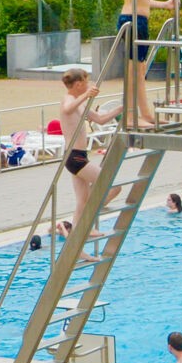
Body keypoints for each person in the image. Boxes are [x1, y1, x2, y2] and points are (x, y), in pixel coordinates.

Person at [60, 69, 124, 238]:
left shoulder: (80, 103)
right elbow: (67, 109)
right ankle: (97, 208)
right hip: (74, 156)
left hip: (79, 155)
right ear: (79, 84)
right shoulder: (69, 99)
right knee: (109, 183)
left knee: (82, 200)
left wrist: (120, 108)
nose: (89, 86)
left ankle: (79, 230)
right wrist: (87, 95)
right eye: (86, 83)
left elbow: (101, 119)